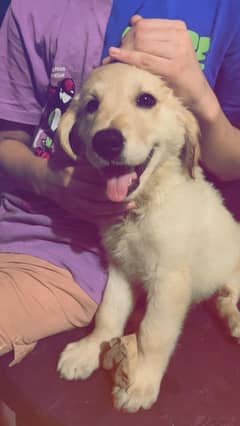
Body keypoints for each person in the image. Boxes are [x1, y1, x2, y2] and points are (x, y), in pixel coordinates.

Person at [0, 0, 239, 401]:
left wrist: (200, 97)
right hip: (25, 216)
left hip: (63, 254)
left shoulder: (224, 10)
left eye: (144, 101)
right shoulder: (31, 10)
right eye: (92, 107)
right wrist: (51, 179)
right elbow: (11, 140)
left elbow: (227, 162)